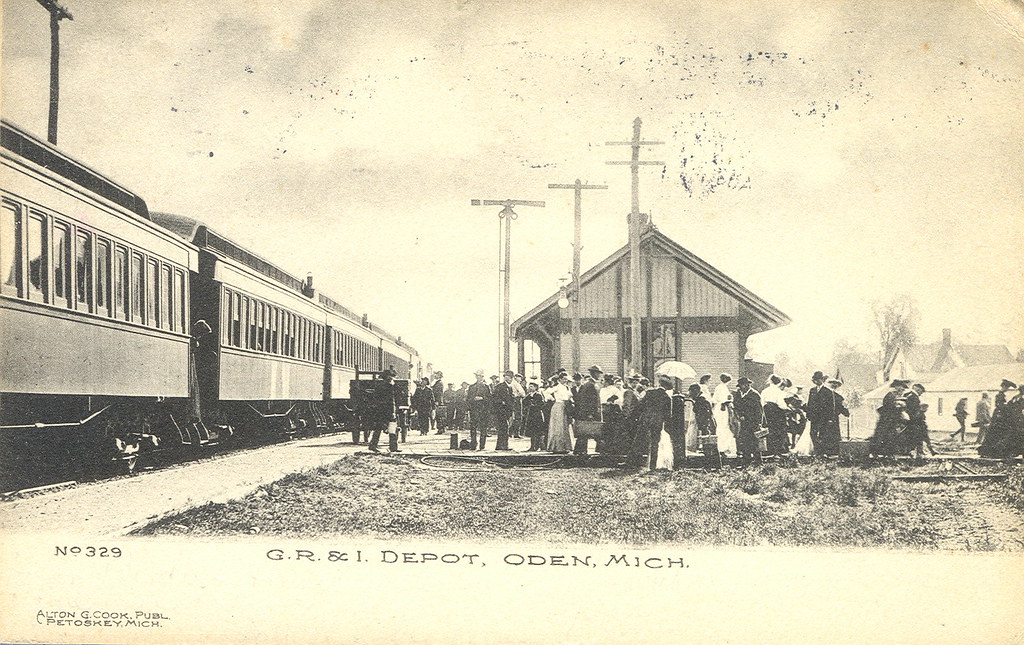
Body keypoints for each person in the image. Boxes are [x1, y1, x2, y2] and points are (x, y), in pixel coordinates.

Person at [631, 375, 673, 469]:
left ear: (660, 384)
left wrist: (637, 417)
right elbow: (667, 415)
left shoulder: (650, 393)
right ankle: (652, 465)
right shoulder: (667, 398)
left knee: (639, 440)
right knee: (655, 443)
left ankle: (632, 461)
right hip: (657, 422)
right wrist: (666, 426)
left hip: (645, 419)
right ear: (667, 387)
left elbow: (640, 406)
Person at [366, 369, 404, 453]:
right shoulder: (390, 386)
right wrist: (393, 411)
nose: (393, 379)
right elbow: (392, 400)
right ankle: (393, 447)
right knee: (392, 428)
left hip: (381, 410)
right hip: (388, 410)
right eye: (393, 377)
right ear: (389, 377)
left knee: (379, 428)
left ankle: (373, 445)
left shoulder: (380, 386)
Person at [870, 379, 909, 457]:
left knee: (890, 437)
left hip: (891, 420)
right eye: (901, 389)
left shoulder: (895, 396)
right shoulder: (890, 395)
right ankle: (877, 453)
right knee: (883, 436)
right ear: (896, 387)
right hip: (886, 420)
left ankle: (888, 453)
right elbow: (889, 408)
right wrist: (899, 407)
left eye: (903, 390)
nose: (902, 391)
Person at [573, 365, 603, 456]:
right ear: (593, 373)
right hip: (589, 413)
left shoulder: (592, 384)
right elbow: (586, 401)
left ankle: (580, 451)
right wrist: (589, 413)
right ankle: (580, 452)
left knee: (587, 432)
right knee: (585, 431)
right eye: (598, 373)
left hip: (593, 412)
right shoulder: (589, 385)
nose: (599, 375)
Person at [733, 377, 763, 464]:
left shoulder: (754, 395)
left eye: (742, 386)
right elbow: (736, 406)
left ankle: (758, 461)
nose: (740, 388)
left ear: (747, 385)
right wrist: (740, 415)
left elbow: (759, 410)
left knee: (754, 441)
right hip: (743, 423)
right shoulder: (738, 395)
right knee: (744, 441)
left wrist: (759, 423)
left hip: (753, 422)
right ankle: (747, 461)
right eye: (739, 386)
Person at [761, 374, 790, 456]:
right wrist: (786, 408)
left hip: (766, 411)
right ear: (779, 382)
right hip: (777, 412)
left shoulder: (764, 391)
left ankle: (769, 449)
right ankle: (778, 449)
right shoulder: (779, 392)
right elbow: (781, 404)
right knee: (779, 430)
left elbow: (762, 403)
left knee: (769, 430)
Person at [546, 373, 574, 453]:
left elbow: (570, 397)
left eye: (566, 379)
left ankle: (565, 447)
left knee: (565, 426)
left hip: (566, 406)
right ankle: (558, 447)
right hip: (558, 406)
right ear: (560, 379)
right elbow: (546, 392)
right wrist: (553, 399)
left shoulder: (567, 387)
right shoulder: (557, 386)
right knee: (558, 426)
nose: (565, 380)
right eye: (564, 379)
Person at [491, 370, 516, 450]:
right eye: (509, 377)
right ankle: (503, 446)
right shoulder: (500, 386)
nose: (511, 379)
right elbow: (494, 398)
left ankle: (501, 446)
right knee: (503, 428)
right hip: (500, 411)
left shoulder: (509, 387)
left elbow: (511, 400)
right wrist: (502, 402)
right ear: (505, 377)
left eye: (511, 378)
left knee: (504, 428)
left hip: (507, 411)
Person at [467, 370, 492, 450]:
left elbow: (490, 398)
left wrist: (482, 398)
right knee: (473, 428)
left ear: (482, 377)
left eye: (480, 376)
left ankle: (482, 445)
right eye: (477, 376)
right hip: (474, 410)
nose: (478, 377)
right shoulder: (471, 387)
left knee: (483, 428)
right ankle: (473, 444)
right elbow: (468, 399)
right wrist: (473, 399)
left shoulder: (486, 387)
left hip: (483, 410)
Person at [712, 374, 736, 455]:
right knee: (722, 427)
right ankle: (722, 447)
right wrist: (728, 400)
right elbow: (723, 400)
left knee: (724, 427)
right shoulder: (721, 387)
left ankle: (724, 446)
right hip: (722, 409)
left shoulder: (721, 387)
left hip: (721, 408)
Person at [523, 381, 548, 451]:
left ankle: (537, 446)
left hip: (537, 415)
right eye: (529, 386)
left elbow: (542, 404)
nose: (530, 388)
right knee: (532, 431)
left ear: (535, 387)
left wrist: (534, 405)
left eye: (531, 386)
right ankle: (532, 446)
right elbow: (524, 402)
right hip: (531, 415)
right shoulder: (529, 395)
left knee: (537, 431)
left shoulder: (538, 395)